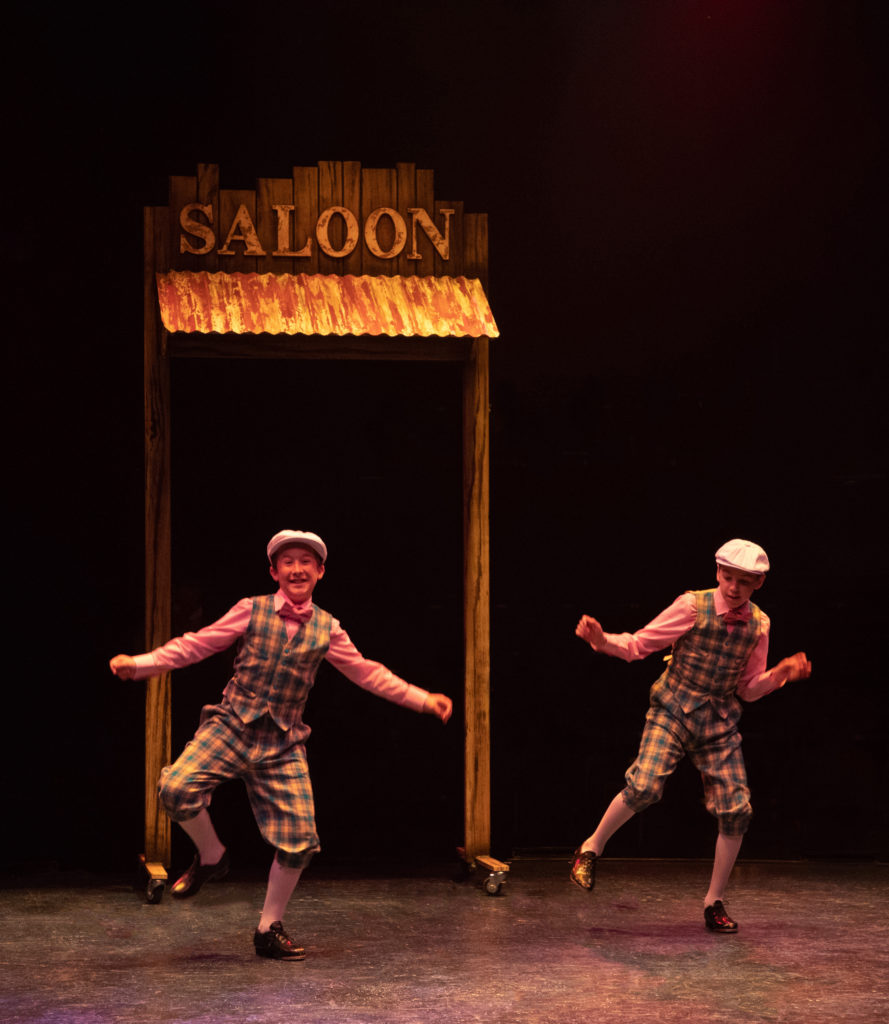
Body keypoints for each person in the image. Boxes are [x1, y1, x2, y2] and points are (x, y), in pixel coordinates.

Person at [110, 529, 453, 961]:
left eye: (306, 561)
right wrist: (142, 664)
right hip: (232, 725)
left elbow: (368, 673)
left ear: (320, 571)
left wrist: (422, 698)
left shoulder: (327, 628)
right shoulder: (249, 610)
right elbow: (196, 645)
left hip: (283, 741)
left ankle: (268, 928)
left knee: (299, 840)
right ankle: (212, 855)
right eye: (287, 561)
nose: (296, 568)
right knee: (176, 788)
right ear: (274, 571)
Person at [570, 539, 811, 933]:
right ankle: (590, 847)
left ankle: (713, 901)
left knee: (737, 810)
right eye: (727, 577)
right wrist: (601, 641)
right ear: (718, 573)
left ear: (758, 585)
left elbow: (748, 689)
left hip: (718, 721)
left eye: (744, 582)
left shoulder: (760, 625)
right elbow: (638, 645)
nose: (733, 588)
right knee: (645, 786)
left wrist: (781, 674)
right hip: (673, 708)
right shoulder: (692, 606)